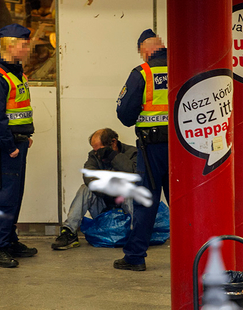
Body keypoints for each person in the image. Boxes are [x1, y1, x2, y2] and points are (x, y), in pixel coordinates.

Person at [0, 23, 37, 268]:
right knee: (4, 197)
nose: (28, 49)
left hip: (18, 142)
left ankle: (10, 240)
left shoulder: (16, 73)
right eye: (24, 45)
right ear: (11, 45)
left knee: (14, 196)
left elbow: (18, 111)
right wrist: (8, 144)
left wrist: (25, 135)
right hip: (8, 146)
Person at [113, 29, 169, 271]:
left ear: (144, 50)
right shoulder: (182, 66)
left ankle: (135, 256)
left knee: (146, 200)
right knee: (185, 201)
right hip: (183, 148)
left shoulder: (142, 73)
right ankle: (197, 254)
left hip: (151, 149)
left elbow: (125, 114)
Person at [52, 128, 137, 250]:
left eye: (100, 150)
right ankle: (69, 231)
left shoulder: (132, 153)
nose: (97, 154)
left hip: (126, 209)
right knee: (84, 189)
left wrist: (114, 156)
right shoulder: (93, 156)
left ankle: (136, 235)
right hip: (104, 206)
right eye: (95, 150)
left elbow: (133, 174)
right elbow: (89, 176)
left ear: (113, 142)